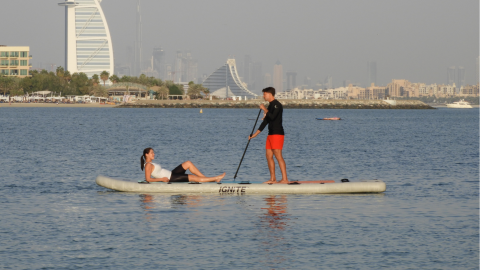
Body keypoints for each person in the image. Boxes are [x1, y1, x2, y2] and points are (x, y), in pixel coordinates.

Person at [248, 87, 289, 184]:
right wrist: (254, 135)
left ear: (270, 94)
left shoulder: (277, 105)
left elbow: (272, 117)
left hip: (277, 133)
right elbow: (265, 122)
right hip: (270, 134)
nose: (263, 96)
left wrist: (264, 109)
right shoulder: (270, 106)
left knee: (278, 155)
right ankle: (273, 179)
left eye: (264, 94)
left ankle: (284, 179)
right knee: (268, 155)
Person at [140, 148, 225, 183]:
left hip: (172, 173)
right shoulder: (147, 165)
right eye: (152, 153)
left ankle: (206, 179)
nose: (154, 154)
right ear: (146, 155)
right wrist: (162, 179)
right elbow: (148, 179)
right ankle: (216, 178)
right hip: (171, 178)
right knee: (193, 177)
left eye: (153, 153)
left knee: (188, 163)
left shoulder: (150, 164)